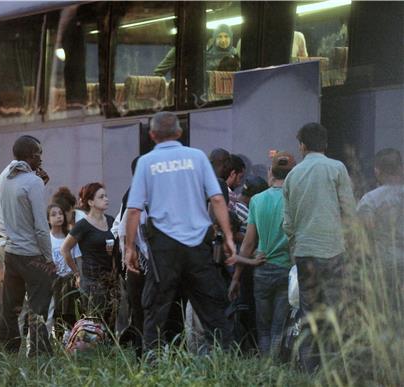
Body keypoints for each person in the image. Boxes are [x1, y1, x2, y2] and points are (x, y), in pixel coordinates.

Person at [124, 111, 236, 355]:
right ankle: (227, 361)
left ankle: (153, 363)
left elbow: (133, 211)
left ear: (152, 135)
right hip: (198, 245)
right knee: (213, 308)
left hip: (164, 247)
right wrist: (228, 237)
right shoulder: (197, 157)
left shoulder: (146, 163)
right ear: (179, 132)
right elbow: (217, 198)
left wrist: (129, 248)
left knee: (156, 308)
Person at [283, 123, 356, 373]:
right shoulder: (337, 169)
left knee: (308, 314)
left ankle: (309, 370)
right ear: (325, 144)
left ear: (302, 146)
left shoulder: (292, 176)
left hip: (306, 255)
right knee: (336, 312)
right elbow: (349, 211)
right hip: (334, 252)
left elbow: (288, 224)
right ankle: (336, 369)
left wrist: (298, 245)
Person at [229, 151, 296, 357]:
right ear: (292, 174)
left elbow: (248, 244)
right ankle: (277, 369)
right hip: (286, 270)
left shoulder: (257, 200)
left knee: (263, 328)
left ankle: (267, 370)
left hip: (262, 270)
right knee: (279, 327)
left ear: (270, 172)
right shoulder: (294, 199)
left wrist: (236, 278)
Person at [0, 136, 55, 356]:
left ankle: (8, 352)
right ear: (32, 155)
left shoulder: (5, 176)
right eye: (39, 153)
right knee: (38, 309)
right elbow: (40, 226)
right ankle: (39, 354)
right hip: (32, 255)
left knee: (11, 308)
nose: (41, 157)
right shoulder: (33, 182)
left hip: (11, 253)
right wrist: (48, 259)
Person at [61, 182, 117, 329]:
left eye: (106, 196)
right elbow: (65, 249)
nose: (106, 199)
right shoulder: (83, 225)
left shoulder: (111, 221)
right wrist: (76, 273)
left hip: (111, 278)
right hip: (91, 280)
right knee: (95, 321)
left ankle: (111, 349)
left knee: (112, 319)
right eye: (101, 197)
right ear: (91, 202)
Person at [356, 148, 404, 300]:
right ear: (401, 168)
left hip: (382, 265)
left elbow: (362, 235)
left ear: (377, 171)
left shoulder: (369, 200)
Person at [47, 203, 82, 340]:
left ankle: (71, 341)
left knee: (71, 312)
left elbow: (78, 258)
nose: (58, 217)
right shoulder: (47, 239)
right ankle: (57, 339)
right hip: (54, 281)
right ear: (48, 219)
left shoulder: (70, 237)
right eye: (54, 214)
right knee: (56, 312)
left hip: (71, 280)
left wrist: (78, 274)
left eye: (60, 214)